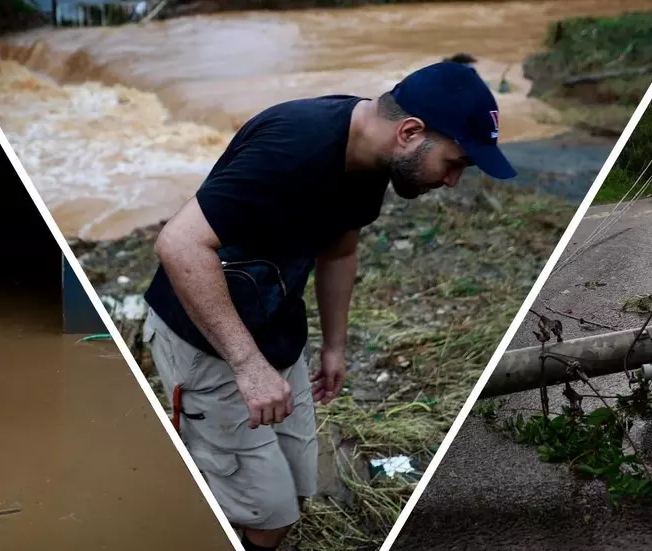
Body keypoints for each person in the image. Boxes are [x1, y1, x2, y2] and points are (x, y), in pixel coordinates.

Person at [141, 62, 516, 550]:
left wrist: (335, 346)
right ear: (409, 132)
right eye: (455, 163)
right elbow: (179, 245)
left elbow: (340, 248)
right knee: (268, 514)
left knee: (297, 488)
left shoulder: (372, 158)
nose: (452, 183)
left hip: (273, 328)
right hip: (206, 339)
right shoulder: (294, 147)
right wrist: (247, 365)